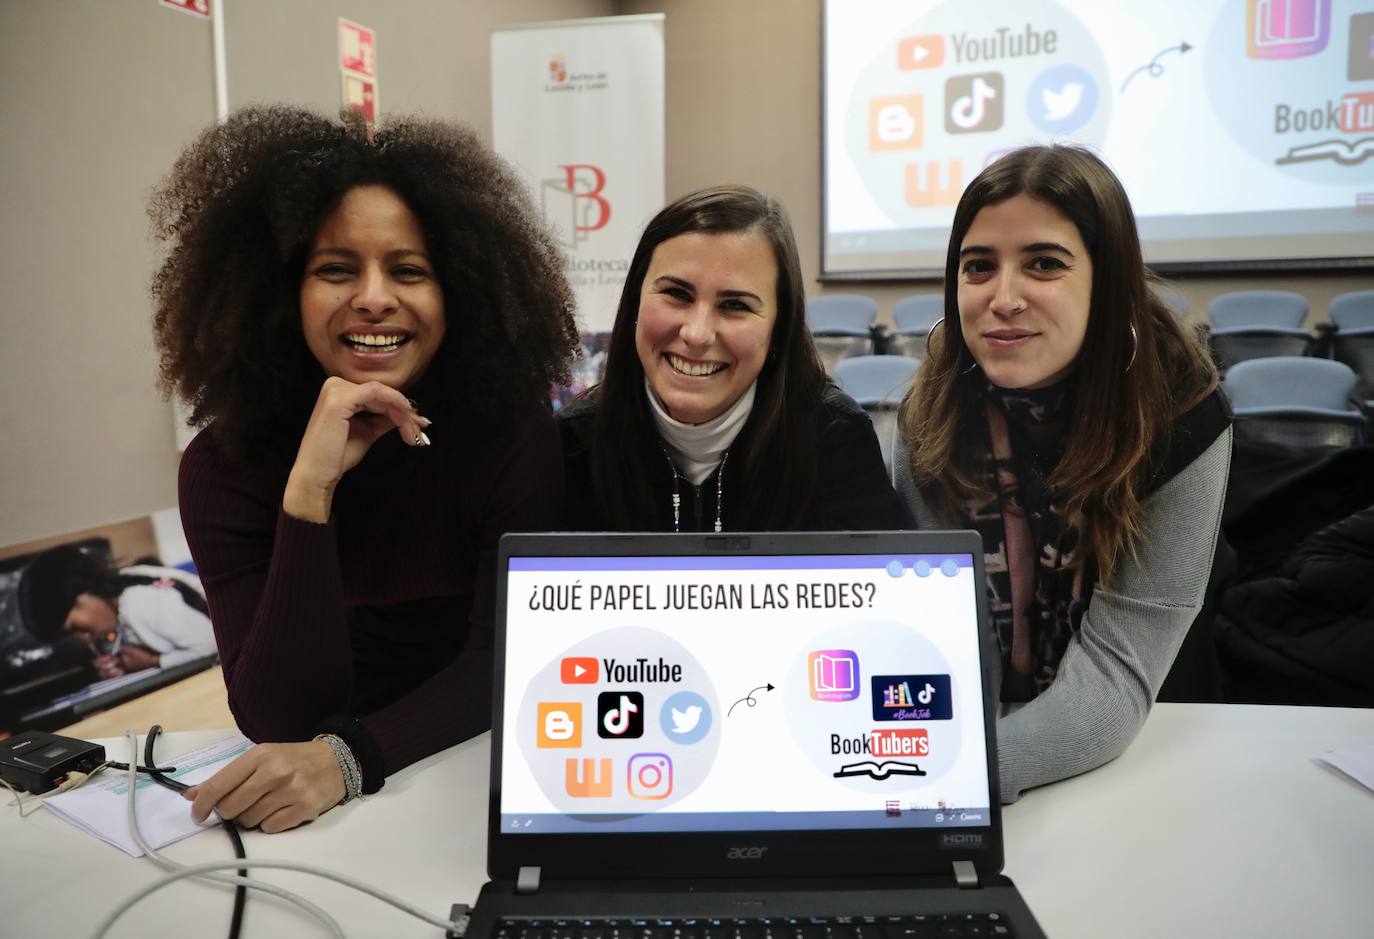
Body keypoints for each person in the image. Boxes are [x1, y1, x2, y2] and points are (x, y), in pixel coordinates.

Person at [151, 106, 578, 831]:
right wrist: (310, 491)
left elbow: (504, 662)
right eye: (336, 269)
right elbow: (278, 715)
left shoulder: (509, 436)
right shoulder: (223, 468)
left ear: (460, 293)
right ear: (282, 293)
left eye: (408, 270)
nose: (374, 296)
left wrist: (348, 758)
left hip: (479, 778)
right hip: (311, 816)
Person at [894, 145, 1231, 803]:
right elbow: (943, 641)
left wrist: (963, 779)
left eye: (1044, 263)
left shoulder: (1181, 412)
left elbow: (1117, 670)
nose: (1004, 297)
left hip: (1143, 754)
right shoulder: (928, 417)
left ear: (1107, 281)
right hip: (979, 745)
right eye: (978, 267)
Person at [559, 185, 907, 532]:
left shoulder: (836, 438)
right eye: (676, 294)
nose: (697, 335)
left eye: (735, 305)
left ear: (778, 330)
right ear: (635, 304)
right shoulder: (573, 445)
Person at [21, 544, 214, 680]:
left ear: (84, 593)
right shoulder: (124, 586)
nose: (83, 639)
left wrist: (154, 661)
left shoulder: (139, 603)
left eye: (74, 627)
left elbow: (213, 645)